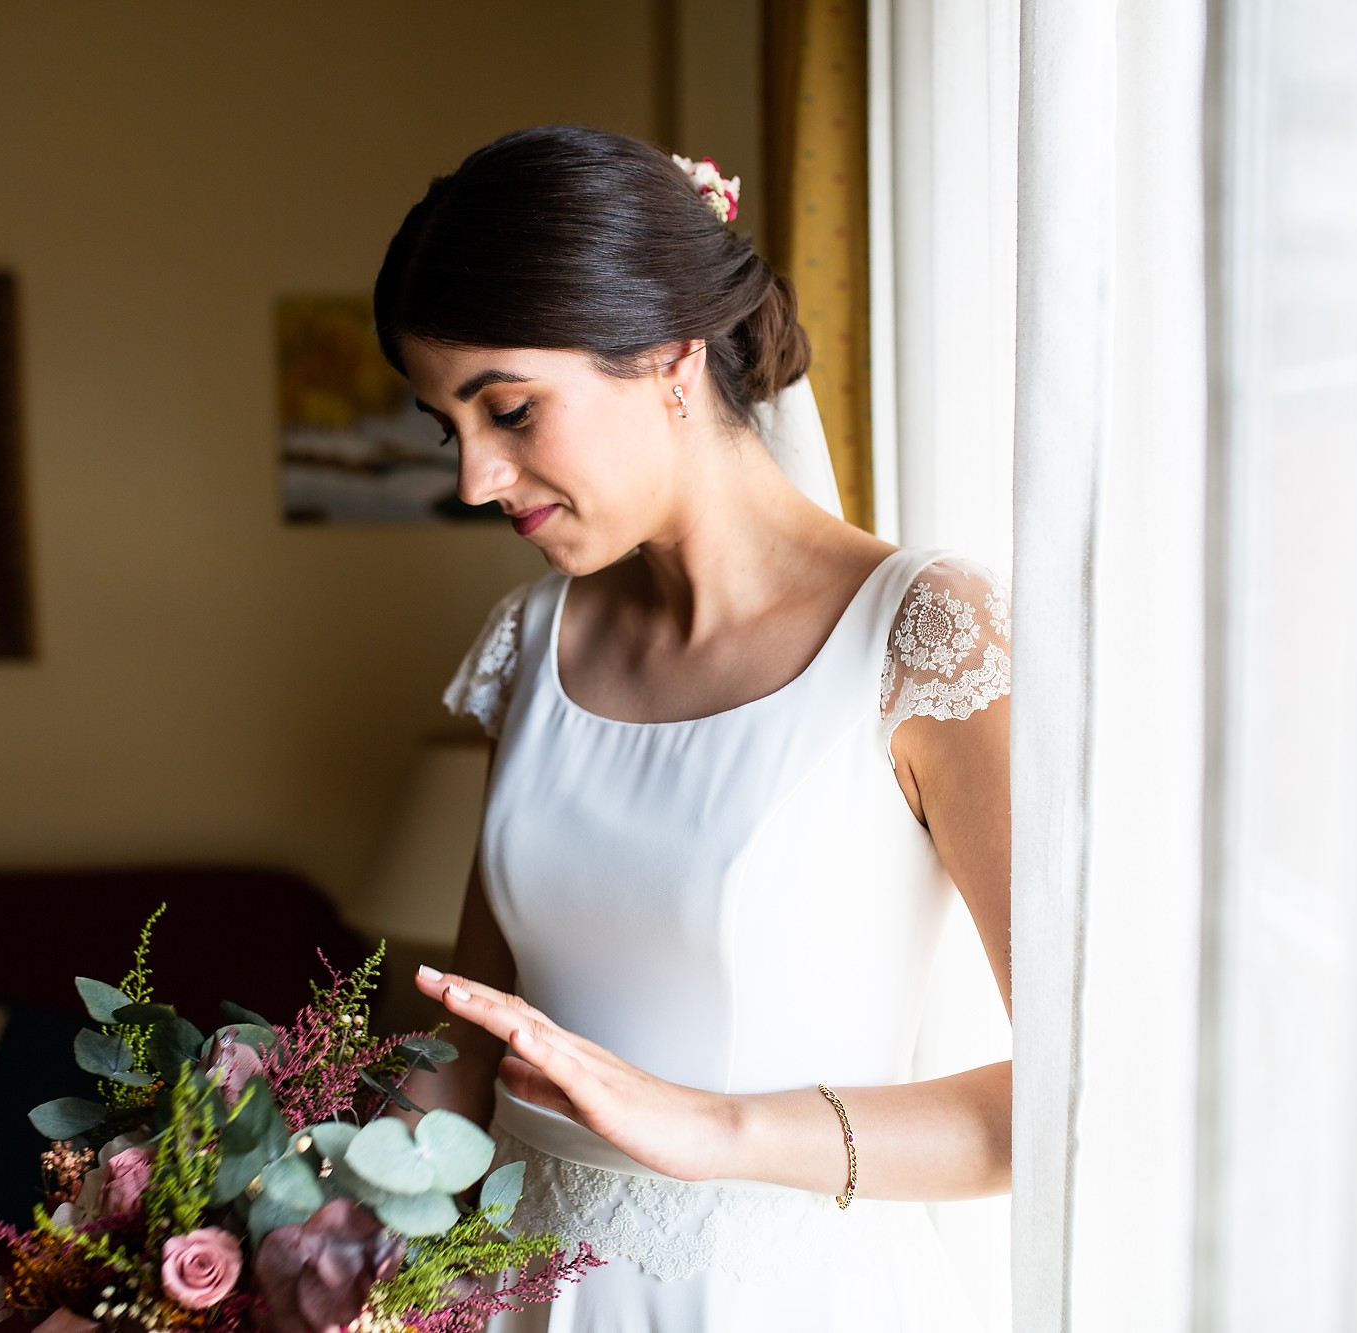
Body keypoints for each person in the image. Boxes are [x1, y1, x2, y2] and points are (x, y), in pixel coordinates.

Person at [375, 124, 1012, 1332]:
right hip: (511, 1295)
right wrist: (254, 1218)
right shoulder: (534, 641)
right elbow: (468, 1050)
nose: (471, 478)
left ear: (670, 356)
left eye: (507, 408)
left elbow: (1082, 1094)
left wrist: (715, 1127)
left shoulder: (925, 636)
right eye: (444, 427)